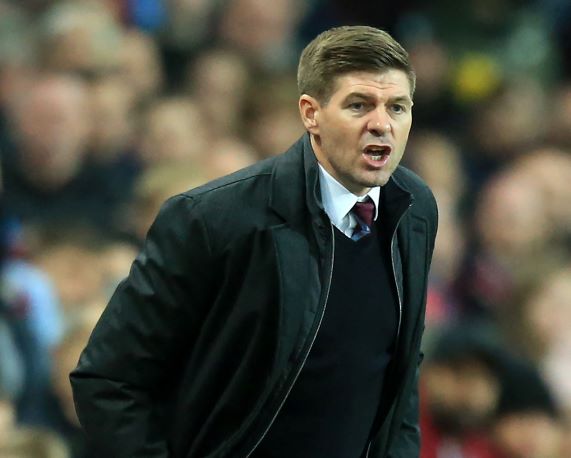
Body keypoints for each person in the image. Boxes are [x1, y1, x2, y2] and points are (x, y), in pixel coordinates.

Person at [70, 25, 438, 458]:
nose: (381, 124)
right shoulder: (213, 219)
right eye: (359, 105)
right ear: (311, 114)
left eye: (397, 107)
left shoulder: (414, 209)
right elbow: (108, 380)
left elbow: (401, 375)